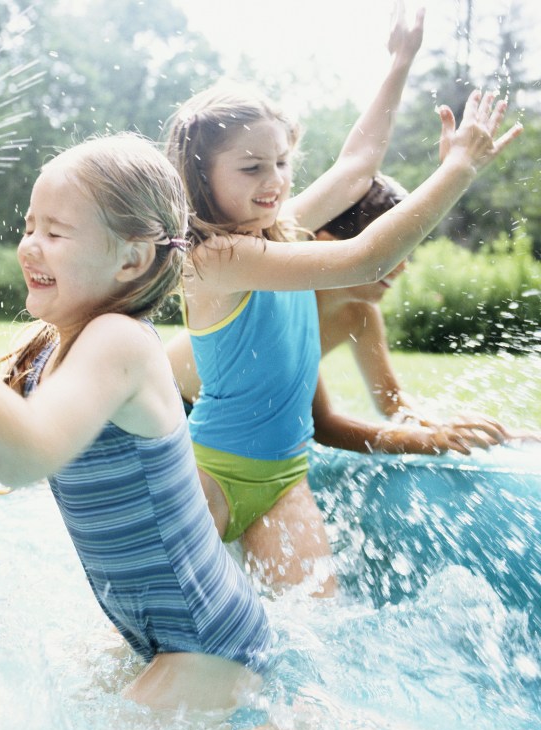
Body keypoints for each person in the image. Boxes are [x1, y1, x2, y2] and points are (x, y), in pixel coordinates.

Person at [0, 133, 272, 712]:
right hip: (157, 636)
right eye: (30, 227)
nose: (31, 246)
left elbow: (24, 459)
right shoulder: (51, 352)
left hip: (211, 645)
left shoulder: (120, 343)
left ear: (131, 258)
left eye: (56, 233)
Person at [163, 42, 521, 602]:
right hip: (211, 476)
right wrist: (459, 168)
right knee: (156, 638)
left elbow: (357, 166)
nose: (274, 180)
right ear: (201, 178)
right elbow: (365, 258)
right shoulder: (213, 260)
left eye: (281, 162)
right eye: (252, 167)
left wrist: (400, 60)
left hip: (284, 480)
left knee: (316, 629)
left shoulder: (285, 232)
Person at [171, 175, 519, 454]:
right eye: (388, 253)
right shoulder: (282, 295)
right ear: (327, 243)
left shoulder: (361, 314)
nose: (401, 266)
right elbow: (324, 424)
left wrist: (455, 432)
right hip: (175, 408)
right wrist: (428, 441)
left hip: (227, 421)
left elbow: (393, 402)